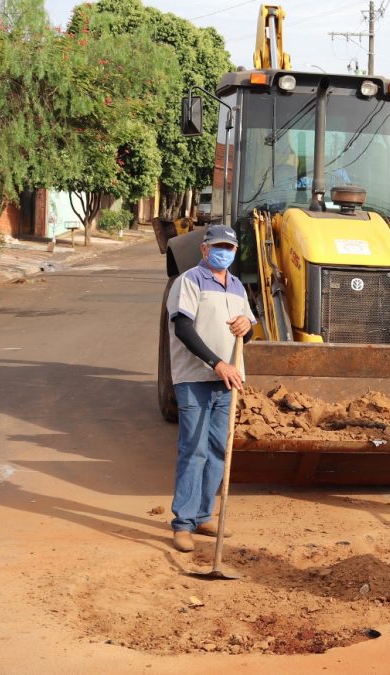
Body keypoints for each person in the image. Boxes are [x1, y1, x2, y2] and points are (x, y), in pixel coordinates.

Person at [165, 225, 256, 553]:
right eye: (218, 247)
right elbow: (184, 328)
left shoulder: (237, 287)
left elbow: (247, 331)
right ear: (204, 250)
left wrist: (247, 327)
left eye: (229, 248)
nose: (224, 252)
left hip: (228, 380)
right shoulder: (188, 281)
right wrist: (217, 363)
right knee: (194, 448)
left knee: (219, 448)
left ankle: (204, 514)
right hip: (195, 377)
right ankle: (184, 523)